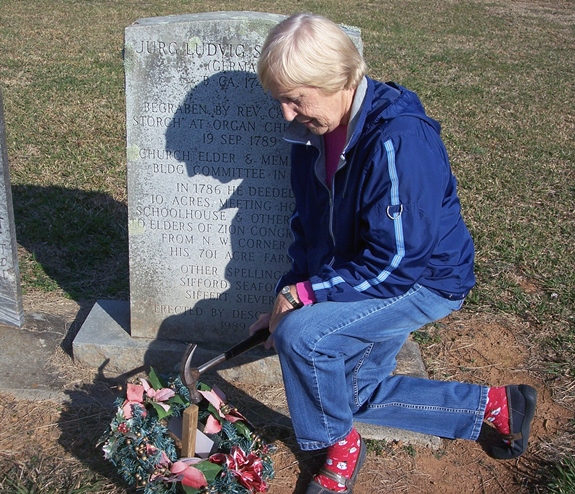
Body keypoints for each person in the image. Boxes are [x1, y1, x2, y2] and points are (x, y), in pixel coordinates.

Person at [249, 13, 537, 494]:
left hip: (423, 280)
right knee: (350, 394)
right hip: (368, 272)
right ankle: (496, 407)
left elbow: (399, 262)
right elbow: (311, 228)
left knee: (302, 339)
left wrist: (303, 299)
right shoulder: (310, 135)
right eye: (279, 99)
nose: (286, 114)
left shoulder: (399, 138)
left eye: (295, 98)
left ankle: (337, 448)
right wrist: (290, 291)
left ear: (338, 79)